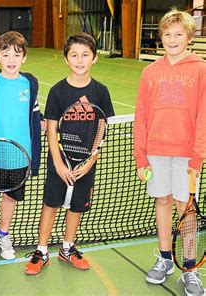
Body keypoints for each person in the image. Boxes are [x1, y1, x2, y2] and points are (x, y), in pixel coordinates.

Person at [25, 33, 115, 275]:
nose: (80, 59)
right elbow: (51, 129)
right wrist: (58, 163)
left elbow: (102, 128)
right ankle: (41, 250)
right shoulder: (57, 92)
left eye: (85, 55)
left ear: (94, 58)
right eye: (74, 55)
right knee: (51, 204)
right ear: (66, 59)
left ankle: (67, 247)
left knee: (76, 207)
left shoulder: (101, 92)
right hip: (60, 162)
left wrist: (91, 161)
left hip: (86, 164)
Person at [133, 9, 205, 295]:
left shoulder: (200, 69)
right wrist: (141, 156)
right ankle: (165, 259)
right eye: (167, 34)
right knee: (162, 201)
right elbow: (141, 117)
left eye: (178, 34)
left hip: (187, 155)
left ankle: (190, 267)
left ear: (189, 37)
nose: (172, 39)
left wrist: (198, 155)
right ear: (160, 36)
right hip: (155, 152)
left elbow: (203, 115)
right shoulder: (150, 72)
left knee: (185, 211)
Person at [0, 31, 42, 263]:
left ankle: (2, 233)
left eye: (17, 54)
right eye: (5, 54)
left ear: (24, 57)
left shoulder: (30, 83)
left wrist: (41, 121)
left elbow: (33, 113)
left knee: (11, 198)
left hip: (20, 155)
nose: (11, 59)